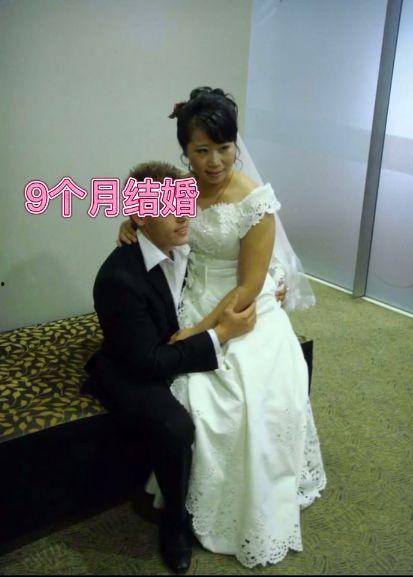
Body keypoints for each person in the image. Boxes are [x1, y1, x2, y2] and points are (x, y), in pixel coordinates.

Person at [119, 87, 326, 569]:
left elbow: (250, 285)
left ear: (236, 145)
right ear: (185, 152)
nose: (214, 162)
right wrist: (129, 226)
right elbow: (147, 221)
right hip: (189, 295)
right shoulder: (178, 188)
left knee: (240, 398)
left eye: (224, 148)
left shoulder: (257, 201)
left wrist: (202, 332)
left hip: (242, 308)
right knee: (184, 392)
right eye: (201, 150)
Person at [84, 161, 258, 574]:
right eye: (169, 207)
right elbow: (149, 362)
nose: (183, 215)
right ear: (142, 217)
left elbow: (238, 263)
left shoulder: (183, 242)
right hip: (133, 365)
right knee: (176, 426)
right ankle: (173, 524)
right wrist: (219, 335)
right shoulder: (119, 278)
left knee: (247, 388)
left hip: (175, 345)